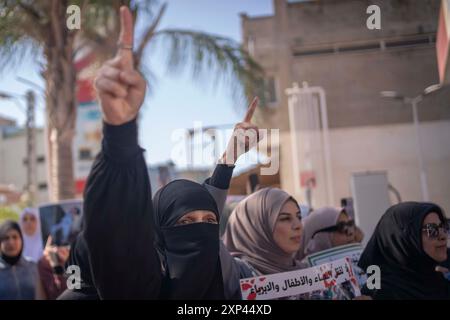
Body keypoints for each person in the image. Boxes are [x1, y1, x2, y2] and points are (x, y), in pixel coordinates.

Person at [78, 5, 262, 299]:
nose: (199, 231)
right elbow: (116, 227)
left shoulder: (234, 278)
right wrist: (120, 132)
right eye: (185, 223)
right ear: (158, 230)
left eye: (209, 222)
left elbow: (203, 204)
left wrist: (228, 162)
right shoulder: (144, 286)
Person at [358, 202, 450, 300]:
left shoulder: (437, 280)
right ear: (404, 239)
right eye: (431, 229)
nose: (443, 236)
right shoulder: (379, 292)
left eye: (443, 226)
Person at [223, 187, 304, 276]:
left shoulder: (308, 272)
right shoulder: (235, 276)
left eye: (299, 217)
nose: (298, 226)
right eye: (285, 218)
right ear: (256, 228)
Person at [0, 220, 44, 299]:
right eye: (6, 238)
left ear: (22, 240)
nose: (11, 242)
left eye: (15, 237)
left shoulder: (33, 266)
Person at [37, 236, 70, 300]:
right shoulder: (43, 264)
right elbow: (55, 293)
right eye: (53, 246)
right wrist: (55, 265)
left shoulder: (73, 260)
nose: (56, 250)